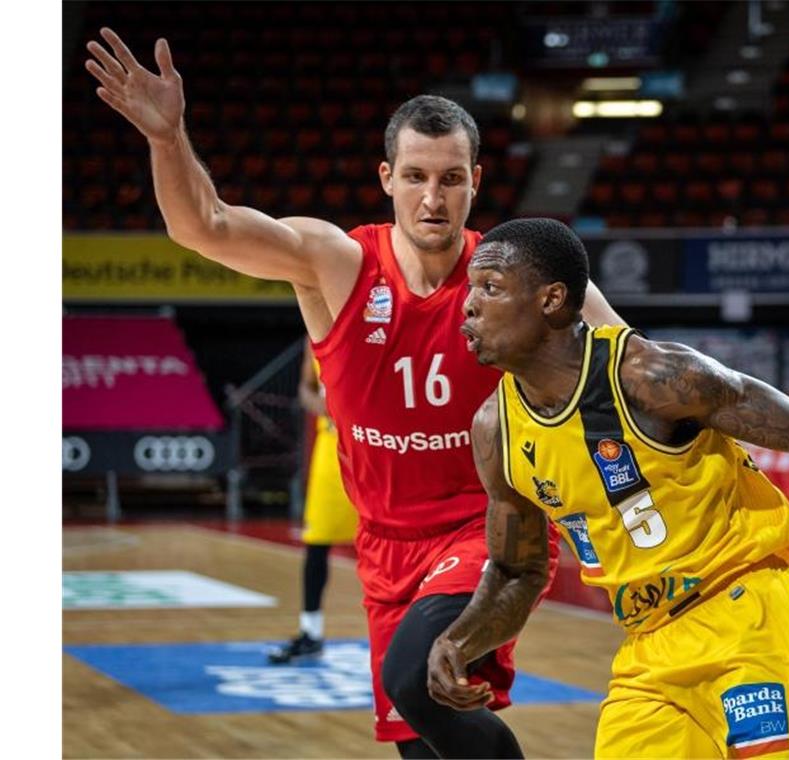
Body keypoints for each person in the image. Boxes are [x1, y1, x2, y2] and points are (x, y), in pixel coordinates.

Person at [84, 30, 623, 759]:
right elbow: (202, 226)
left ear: (475, 181)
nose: (433, 198)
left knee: (413, 678)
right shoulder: (337, 263)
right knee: (419, 743)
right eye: (417, 176)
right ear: (387, 177)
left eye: (451, 178)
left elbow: (633, 357)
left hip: (488, 532)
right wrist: (167, 136)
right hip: (384, 547)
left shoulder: (519, 280)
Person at [425, 217, 789, 758]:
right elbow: (517, 570)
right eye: (471, 289)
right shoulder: (494, 430)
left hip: (746, 614)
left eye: (490, 288)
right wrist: (460, 640)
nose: (468, 304)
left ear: (550, 300)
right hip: (648, 648)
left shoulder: (651, 377)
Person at [268, 342, 359, 665]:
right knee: (316, 541)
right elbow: (305, 389)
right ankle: (311, 632)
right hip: (331, 446)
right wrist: (320, 404)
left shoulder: (378, 318)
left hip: (373, 444)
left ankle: (407, 630)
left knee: (388, 541)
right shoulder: (313, 335)